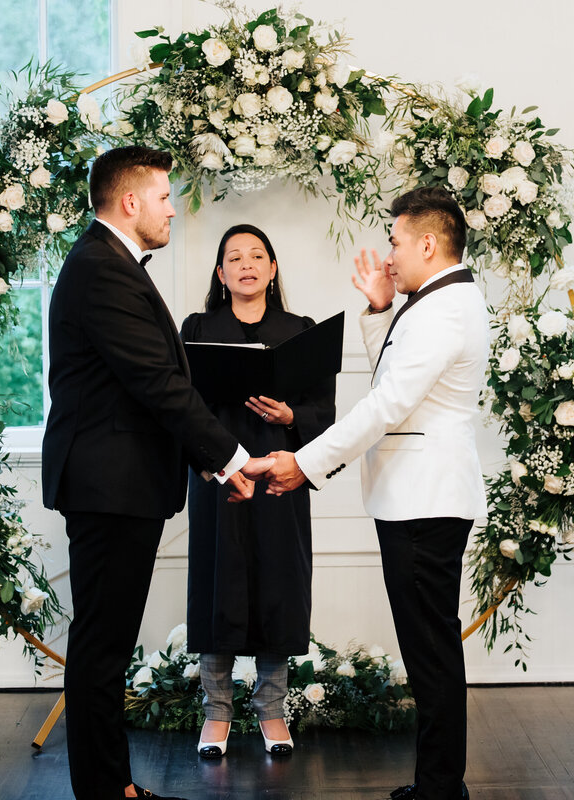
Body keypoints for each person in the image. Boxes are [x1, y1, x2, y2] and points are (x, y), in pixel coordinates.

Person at [41, 146, 274, 800]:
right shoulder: (101, 269)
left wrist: (198, 455)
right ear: (131, 202)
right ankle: (105, 791)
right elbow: (157, 384)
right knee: (101, 650)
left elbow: (150, 385)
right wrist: (230, 458)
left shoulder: (107, 264)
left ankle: (112, 786)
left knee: (103, 647)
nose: (173, 207)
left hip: (118, 483)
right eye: (165, 196)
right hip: (108, 487)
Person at [265, 187, 488, 800]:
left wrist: (306, 463)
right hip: (417, 496)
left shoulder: (446, 308)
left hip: (426, 499)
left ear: (427, 242)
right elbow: (394, 379)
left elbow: (388, 404)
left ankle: (441, 788)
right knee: (427, 650)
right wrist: (380, 310)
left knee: (432, 653)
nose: (389, 254)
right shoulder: (433, 302)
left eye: (394, 241)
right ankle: (437, 783)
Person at [181, 224, 335, 759]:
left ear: (272, 269)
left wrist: (292, 414)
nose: (246, 264)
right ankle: (216, 715)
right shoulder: (198, 328)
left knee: (279, 590)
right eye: (234, 257)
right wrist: (212, 464)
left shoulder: (301, 329)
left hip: (280, 479)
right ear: (221, 274)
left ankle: (272, 712)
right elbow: (182, 407)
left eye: (257, 256)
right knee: (217, 589)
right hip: (220, 478)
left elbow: (326, 414)